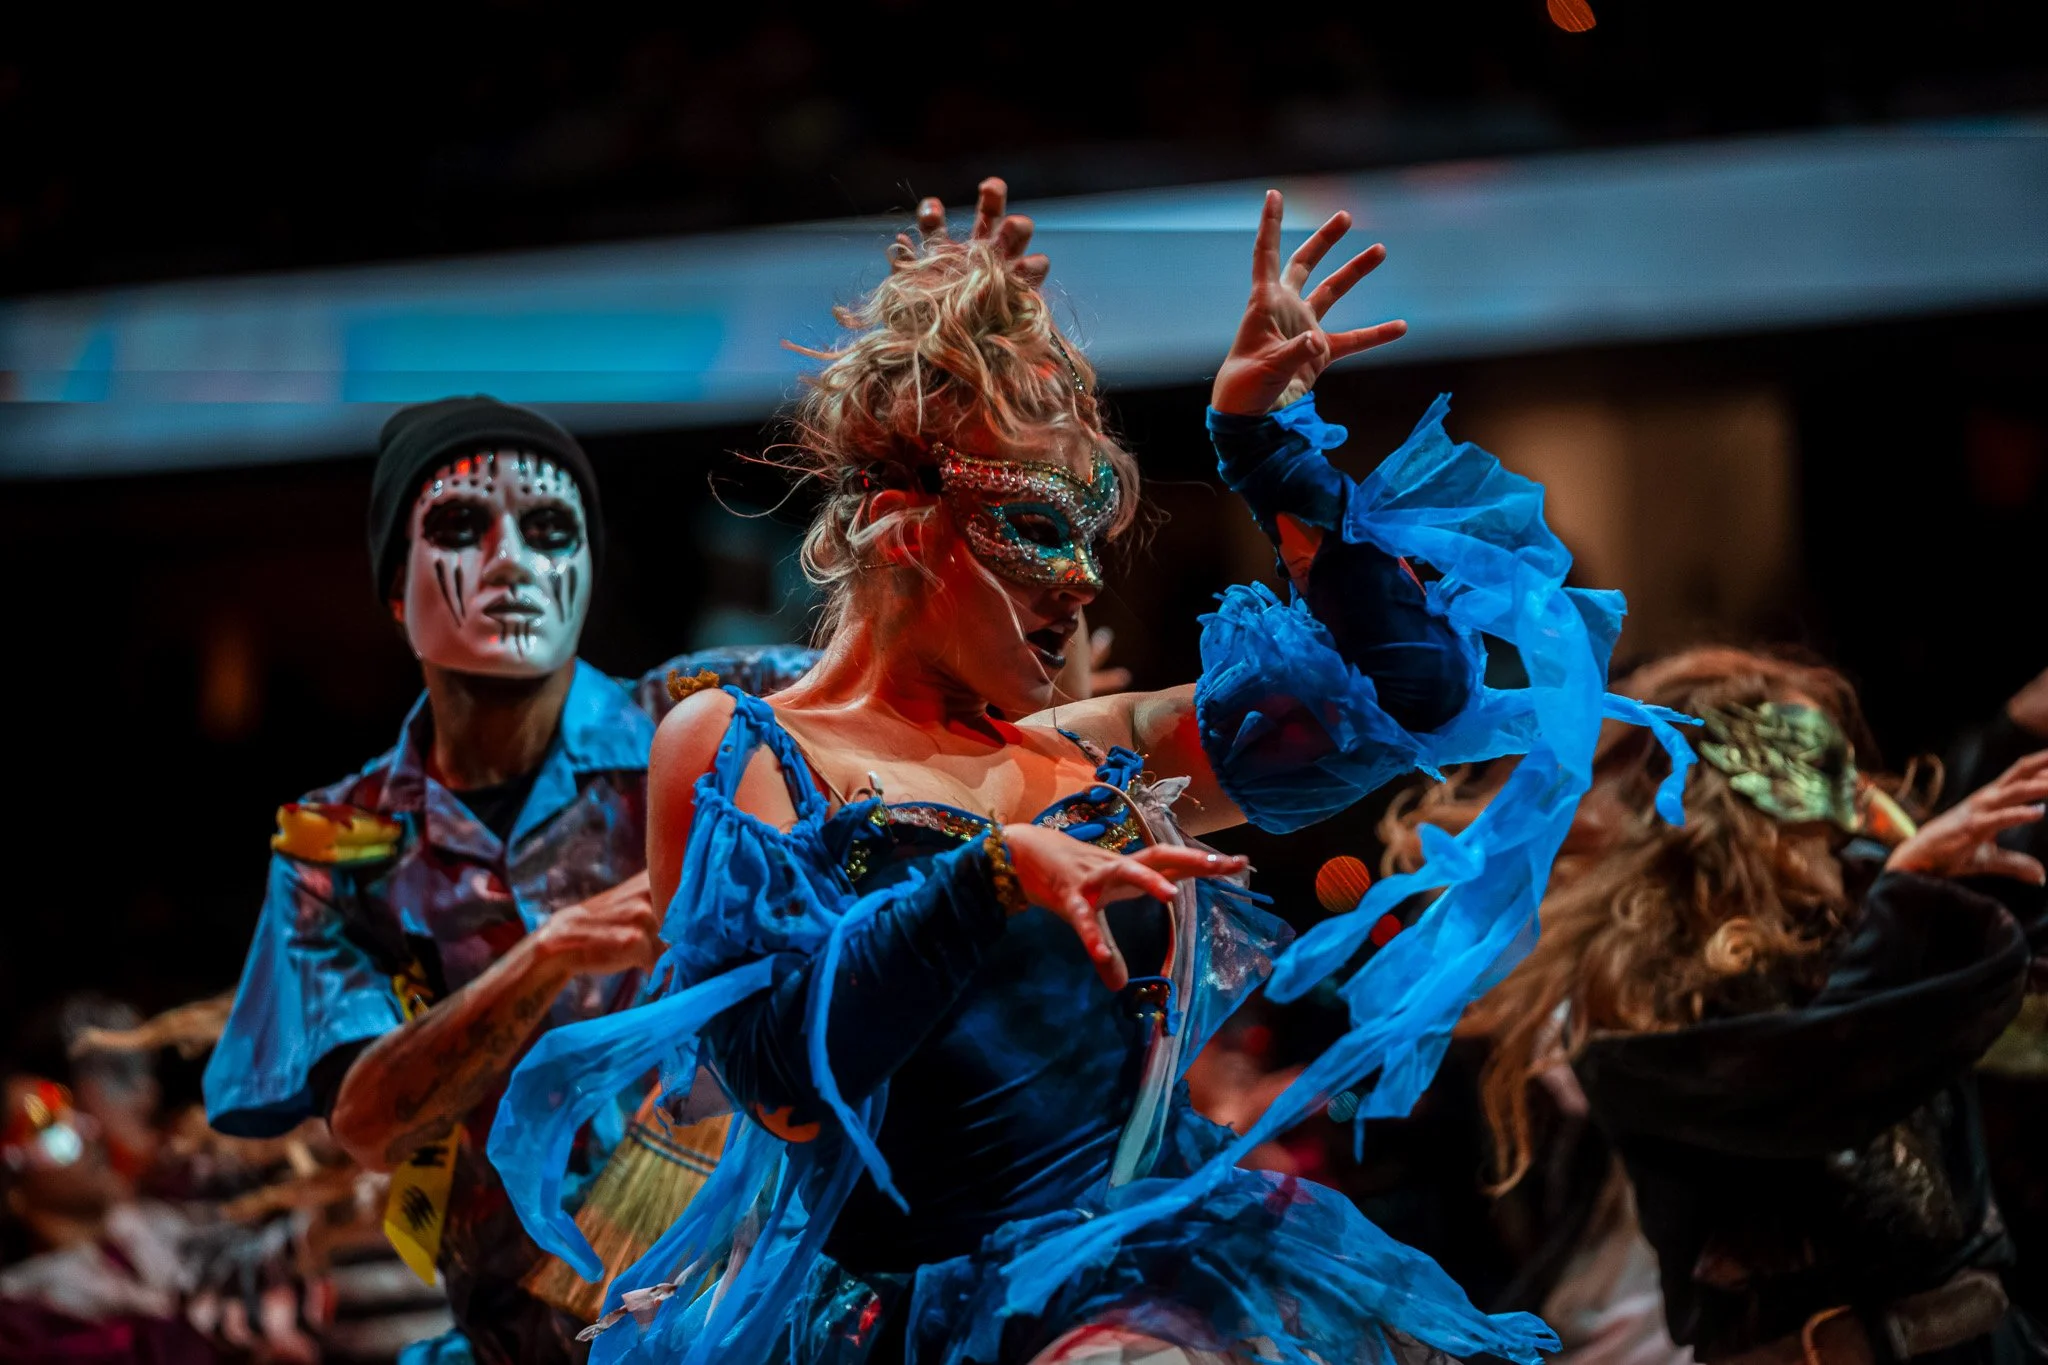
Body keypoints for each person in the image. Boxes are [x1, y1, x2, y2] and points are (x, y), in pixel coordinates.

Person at [488, 186, 1688, 1365]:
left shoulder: (1086, 754)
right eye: (1039, 529)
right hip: (935, 1319)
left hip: (1157, 1286)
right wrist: (985, 877)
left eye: (1093, 537)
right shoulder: (744, 749)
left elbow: (1406, 694)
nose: (1079, 582)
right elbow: (783, 1082)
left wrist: (1266, 453)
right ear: (904, 519)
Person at [202, 392, 816, 1365]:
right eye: (458, 526)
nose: (512, 561)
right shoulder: (344, 842)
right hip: (521, 1340)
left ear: (582, 573)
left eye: (549, 530)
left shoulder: (708, 716)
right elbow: (367, 1125)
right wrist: (542, 959)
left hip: (760, 1317)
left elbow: (902, 684)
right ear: (393, 590)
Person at [1458, 647, 2048, 1363]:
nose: (1843, 809)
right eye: (1810, 792)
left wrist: (2017, 738)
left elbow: (1984, 902)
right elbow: (1810, 1076)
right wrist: (1909, 893)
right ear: (1732, 819)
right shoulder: (1635, 999)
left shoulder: (1856, 911)